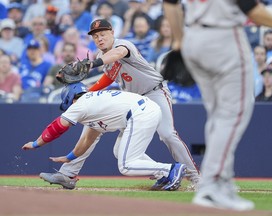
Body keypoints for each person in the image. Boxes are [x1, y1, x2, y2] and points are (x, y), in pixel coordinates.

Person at [39, 19, 200, 191]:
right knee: (98, 130)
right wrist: (88, 94)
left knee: (167, 134)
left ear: (112, 33)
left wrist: (92, 64)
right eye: (95, 36)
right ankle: (68, 173)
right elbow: (108, 77)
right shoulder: (102, 57)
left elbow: (117, 55)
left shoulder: (123, 44)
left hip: (154, 92)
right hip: (133, 102)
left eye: (103, 34)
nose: (99, 38)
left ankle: (195, 178)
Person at [163, 0, 272, 211]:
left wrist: (179, 41)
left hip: (193, 36)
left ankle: (222, 184)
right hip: (224, 37)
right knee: (233, 114)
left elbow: (170, 3)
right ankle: (211, 185)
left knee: (218, 116)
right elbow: (250, 8)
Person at [22, 82, 187, 191]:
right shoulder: (93, 105)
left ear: (70, 99)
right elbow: (87, 140)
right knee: (119, 151)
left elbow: (57, 127)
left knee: (126, 166)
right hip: (144, 110)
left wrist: (36, 143)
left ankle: (171, 169)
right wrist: (69, 157)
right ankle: (164, 175)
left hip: (140, 113)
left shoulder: (80, 104)